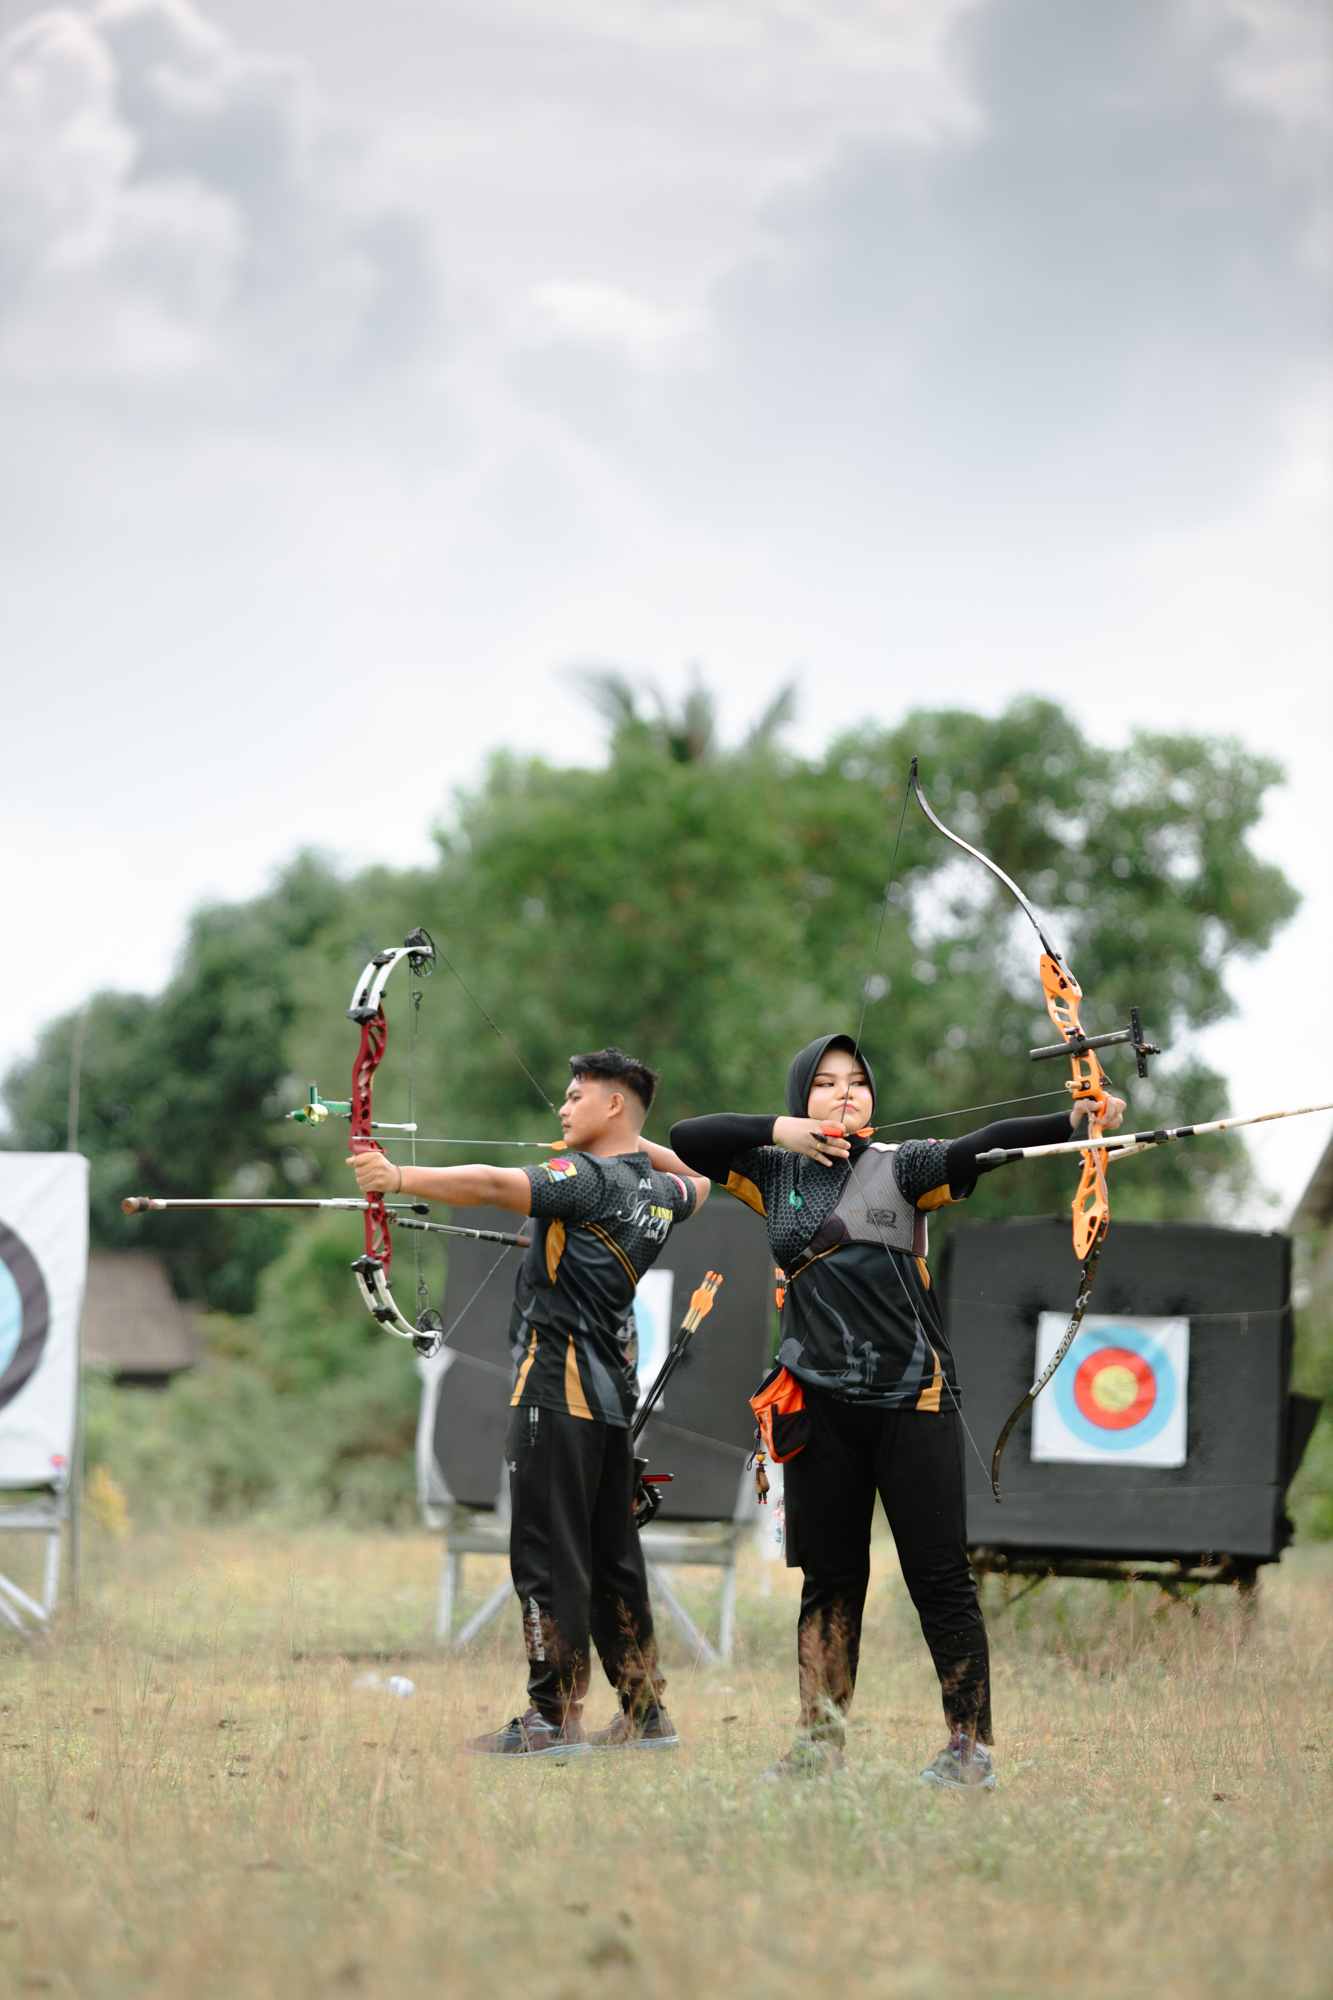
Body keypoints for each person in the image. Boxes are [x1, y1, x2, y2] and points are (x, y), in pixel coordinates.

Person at [670, 1035, 1125, 1789]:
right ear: (801, 1099)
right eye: (825, 1083)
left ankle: (969, 1748)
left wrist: (1074, 1120)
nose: (844, 1093)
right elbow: (690, 1137)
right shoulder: (770, 1172)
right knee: (829, 1580)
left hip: (912, 1399)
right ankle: (817, 1748)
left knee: (939, 1576)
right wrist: (782, 1132)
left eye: (856, 1082)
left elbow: (984, 1144)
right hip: (817, 1405)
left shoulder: (902, 1167)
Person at [351, 1046, 710, 1759]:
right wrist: (634, 1141)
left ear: (614, 1105)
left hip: (554, 1387)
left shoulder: (583, 1179)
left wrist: (397, 1177)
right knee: (613, 1559)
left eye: (578, 1096)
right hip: (611, 1400)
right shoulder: (661, 1193)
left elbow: (489, 1183)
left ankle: (551, 1718)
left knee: (546, 1556)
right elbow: (698, 1179)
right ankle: (644, 1713)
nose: (563, 1107)